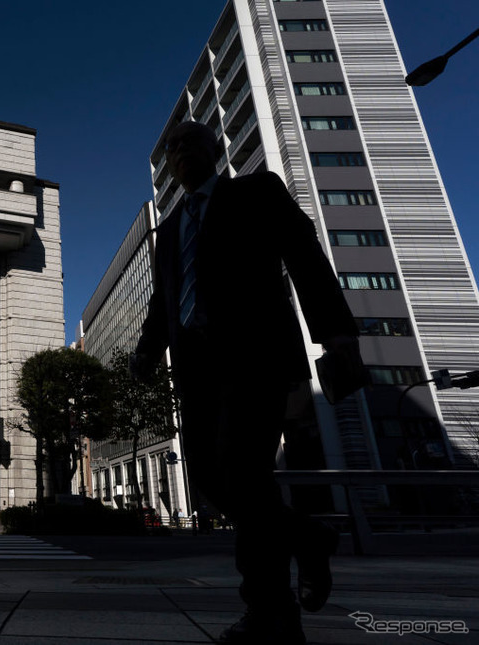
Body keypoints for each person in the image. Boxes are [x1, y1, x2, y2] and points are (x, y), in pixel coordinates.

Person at [132, 121, 363, 644]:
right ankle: (308, 537)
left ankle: (269, 613)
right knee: (214, 482)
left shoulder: (257, 192)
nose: (181, 152)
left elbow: (305, 255)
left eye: (192, 142)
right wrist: (146, 352)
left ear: (216, 150)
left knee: (244, 473)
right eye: (172, 147)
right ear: (168, 167)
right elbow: (164, 300)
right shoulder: (167, 231)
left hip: (255, 358)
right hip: (195, 371)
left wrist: (337, 334)